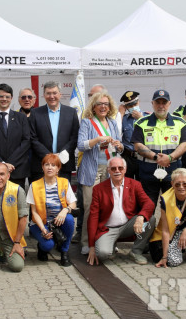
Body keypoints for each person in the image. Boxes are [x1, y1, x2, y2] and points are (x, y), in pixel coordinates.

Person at [87, 157, 156, 265]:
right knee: (102, 254)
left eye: (120, 168)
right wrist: (91, 246)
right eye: (113, 168)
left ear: (125, 169)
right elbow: (93, 217)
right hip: (108, 229)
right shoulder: (98, 189)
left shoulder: (135, 184)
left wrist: (141, 216)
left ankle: (136, 252)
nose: (117, 171)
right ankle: (111, 245)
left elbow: (149, 203)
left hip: (127, 225)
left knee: (151, 220)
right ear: (108, 170)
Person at [77, 91, 123, 254]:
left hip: (110, 171)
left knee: (109, 207)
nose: (103, 107)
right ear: (94, 107)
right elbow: (81, 145)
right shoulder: (87, 123)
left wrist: (119, 145)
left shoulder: (112, 123)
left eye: (106, 104)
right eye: (99, 104)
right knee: (90, 207)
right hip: (92, 170)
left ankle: (107, 240)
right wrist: (97, 140)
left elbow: (120, 146)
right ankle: (86, 242)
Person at [133, 89, 186, 206]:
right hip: (148, 173)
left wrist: (169, 157)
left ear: (169, 104)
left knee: (172, 207)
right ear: (152, 104)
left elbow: (184, 145)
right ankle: (148, 225)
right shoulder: (141, 123)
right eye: (157, 102)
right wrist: (156, 157)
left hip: (173, 174)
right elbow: (137, 145)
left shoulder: (180, 122)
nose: (161, 106)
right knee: (147, 207)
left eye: (164, 103)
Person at [150, 168, 186, 267]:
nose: (181, 187)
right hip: (171, 234)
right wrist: (164, 257)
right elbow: (165, 231)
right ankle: (177, 249)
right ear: (172, 184)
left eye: (185, 184)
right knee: (174, 262)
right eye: (177, 184)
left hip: (185, 230)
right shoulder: (165, 200)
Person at [28, 154, 77, 266]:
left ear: (58, 168)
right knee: (48, 245)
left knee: (69, 219)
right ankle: (42, 248)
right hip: (41, 223)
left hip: (58, 221)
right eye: (47, 164)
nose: (50, 168)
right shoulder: (34, 185)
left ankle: (64, 252)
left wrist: (65, 210)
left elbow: (73, 203)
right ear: (42, 167)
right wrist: (43, 230)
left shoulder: (64, 182)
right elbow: (34, 212)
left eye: (53, 165)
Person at [0, 83, 31, 186]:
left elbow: (26, 141)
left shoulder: (21, 117)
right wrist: (1, 163)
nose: (4, 99)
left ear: (11, 98)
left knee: (14, 201)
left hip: (16, 170)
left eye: (7, 97)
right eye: (1, 96)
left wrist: (10, 163)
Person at [29, 81, 80, 181]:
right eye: (48, 93)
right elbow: (32, 138)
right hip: (41, 165)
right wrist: (49, 156)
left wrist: (60, 155)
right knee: (40, 196)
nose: (51, 96)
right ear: (44, 95)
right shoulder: (35, 113)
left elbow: (74, 137)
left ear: (60, 94)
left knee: (63, 195)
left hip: (64, 164)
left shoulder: (71, 112)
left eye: (54, 93)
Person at [119, 90, 144, 179]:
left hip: (144, 156)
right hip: (128, 157)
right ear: (126, 107)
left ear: (139, 102)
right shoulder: (124, 119)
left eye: (135, 104)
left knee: (142, 186)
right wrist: (120, 114)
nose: (133, 107)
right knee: (127, 185)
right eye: (130, 106)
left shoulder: (148, 117)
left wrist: (141, 119)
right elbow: (116, 132)